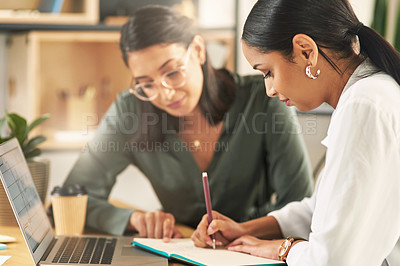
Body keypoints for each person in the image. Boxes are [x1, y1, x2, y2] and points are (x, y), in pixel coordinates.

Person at [64, 5, 313, 240]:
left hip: (253, 252)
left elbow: (301, 205)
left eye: (172, 73)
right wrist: (134, 220)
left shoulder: (262, 101)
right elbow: (71, 197)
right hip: (176, 252)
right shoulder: (130, 111)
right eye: (146, 83)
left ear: (198, 50)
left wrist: (242, 231)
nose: (165, 94)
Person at [191, 0, 400, 265]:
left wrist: (284, 248)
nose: (269, 90)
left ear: (305, 51)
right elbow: (321, 208)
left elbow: (330, 260)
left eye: (268, 72)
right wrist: (245, 230)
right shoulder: (368, 94)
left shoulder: (364, 105)